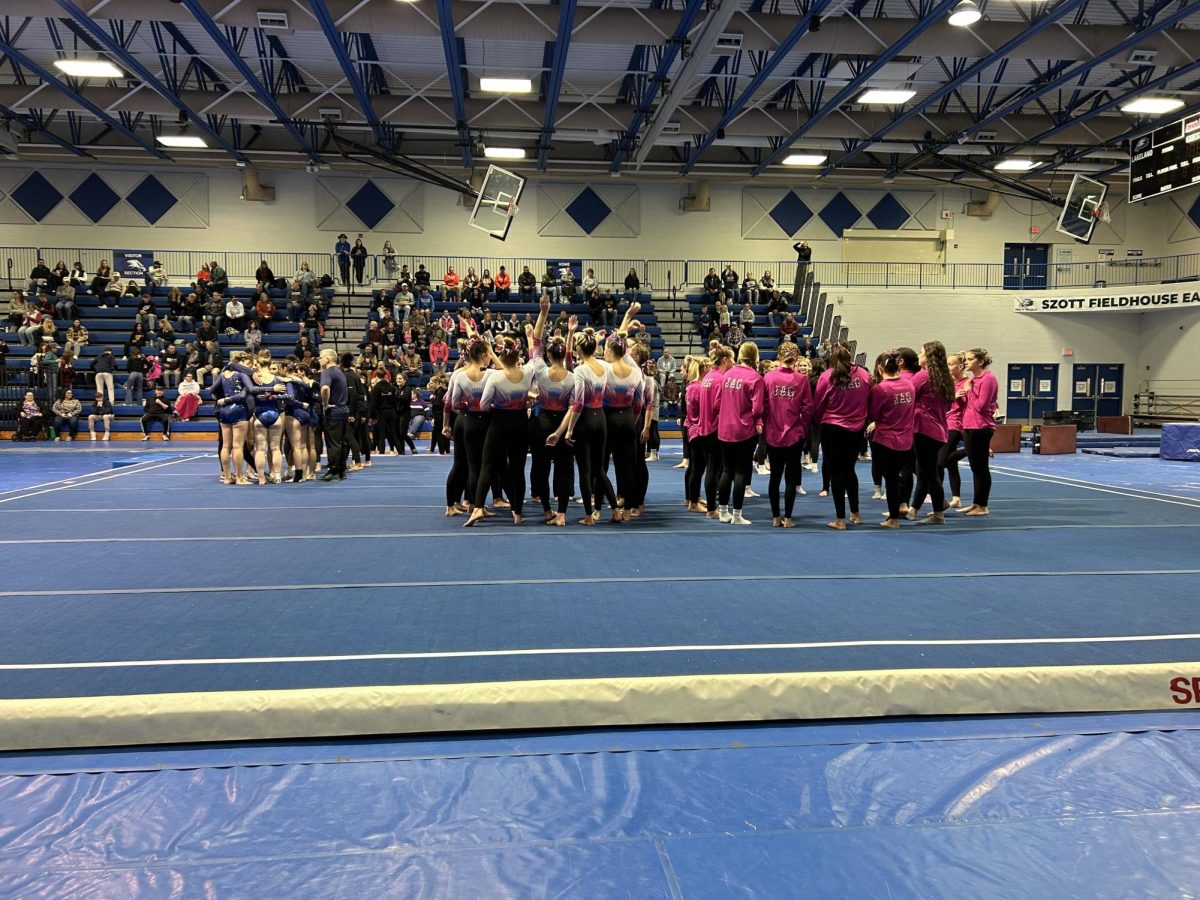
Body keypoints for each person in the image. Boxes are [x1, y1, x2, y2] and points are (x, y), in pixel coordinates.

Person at [812, 342, 871, 531]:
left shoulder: (827, 376)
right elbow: (869, 398)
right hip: (855, 429)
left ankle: (840, 519)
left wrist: (817, 421)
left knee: (836, 472)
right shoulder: (863, 374)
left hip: (833, 428)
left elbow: (818, 404)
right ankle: (856, 514)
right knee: (850, 470)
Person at [762, 342, 812, 527]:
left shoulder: (768, 377)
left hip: (773, 432)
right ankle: (788, 518)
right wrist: (804, 428)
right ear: (797, 358)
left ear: (779, 356)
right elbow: (807, 408)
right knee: (791, 477)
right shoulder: (801, 379)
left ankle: (776, 517)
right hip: (794, 434)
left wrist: (767, 424)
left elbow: (763, 406)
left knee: (775, 476)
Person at [715, 342, 764, 526]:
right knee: (741, 471)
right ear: (755, 357)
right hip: (744, 429)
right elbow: (758, 408)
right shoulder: (755, 378)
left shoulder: (727, 375)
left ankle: (722, 512)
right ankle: (736, 515)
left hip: (725, 428)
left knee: (726, 469)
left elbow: (718, 402)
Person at [442, 337, 492, 516]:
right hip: (476, 419)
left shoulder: (459, 374)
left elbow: (451, 403)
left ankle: (460, 503)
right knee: (470, 465)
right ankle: (469, 504)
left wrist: (447, 423)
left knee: (463, 464)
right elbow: (448, 402)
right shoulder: (488, 373)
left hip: (462, 418)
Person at [867, 352, 916, 529]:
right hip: (905, 438)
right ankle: (900, 508)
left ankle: (894, 518)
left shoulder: (881, 389)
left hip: (886, 439)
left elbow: (873, 414)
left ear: (880, 368)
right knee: (900, 476)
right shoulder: (909, 385)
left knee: (891, 479)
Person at [961, 347, 998, 517]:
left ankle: (983, 505)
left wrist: (970, 390)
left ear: (980, 361)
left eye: (969, 359)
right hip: (969, 425)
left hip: (981, 427)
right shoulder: (974, 380)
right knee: (975, 468)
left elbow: (981, 406)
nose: (965, 362)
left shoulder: (988, 379)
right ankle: (976, 503)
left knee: (982, 468)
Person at [215, 360, 253, 483]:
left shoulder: (222, 375)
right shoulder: (243, 375)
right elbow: (245, 393)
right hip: (238, 410)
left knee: (225, 446)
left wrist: (222, 397)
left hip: (224, 411)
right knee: (238, 446)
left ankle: (226, 477)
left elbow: (212, 389)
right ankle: (240, 478)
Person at [319, 348, 350, 481]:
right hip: (343, 410)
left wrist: (325, 404)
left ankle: (333, 470)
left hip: (334, 411)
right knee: (341, 442)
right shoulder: (340, 372)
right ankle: (341, 469)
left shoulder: (327, 372)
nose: (319, 360)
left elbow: (325, 388)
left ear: (328, 359)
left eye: (321, 357)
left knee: (333, 443)